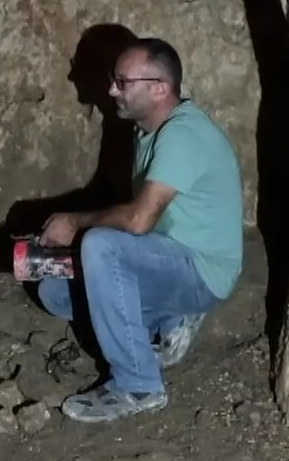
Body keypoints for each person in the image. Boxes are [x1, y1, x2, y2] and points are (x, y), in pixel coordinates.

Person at [34, 35, 244, 423]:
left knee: (99, 247)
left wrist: (76, 224)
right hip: (165, 257)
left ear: (159, 88)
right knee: (54, 291)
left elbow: (138, 220)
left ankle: (138, 385)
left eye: (122, 82)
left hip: (202, 269)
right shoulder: (146, 132)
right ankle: (171, 319)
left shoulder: (182, 135)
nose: (112, 89)